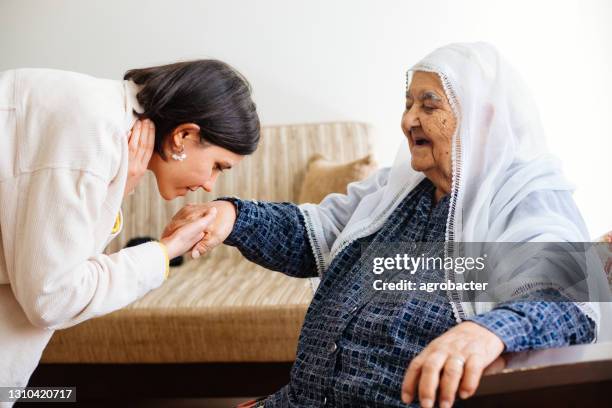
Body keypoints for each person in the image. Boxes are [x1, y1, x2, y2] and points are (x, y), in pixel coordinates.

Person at [164, 43, 608, 407]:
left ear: (483, 118)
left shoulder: (527, 195)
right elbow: (315, 233)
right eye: (408, 103)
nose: (408, 119)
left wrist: (486, 331)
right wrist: (233, 217)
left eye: (428, 105)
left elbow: (563, 298)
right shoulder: (399, 189)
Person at [0, 59, 259, 402]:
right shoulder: (92, 133)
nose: (210, 185)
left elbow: (55, 257)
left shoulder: (102, 118)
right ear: (184, 135)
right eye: (216, 166)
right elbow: (52, 298)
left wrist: (119, 190)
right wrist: (166, 250)